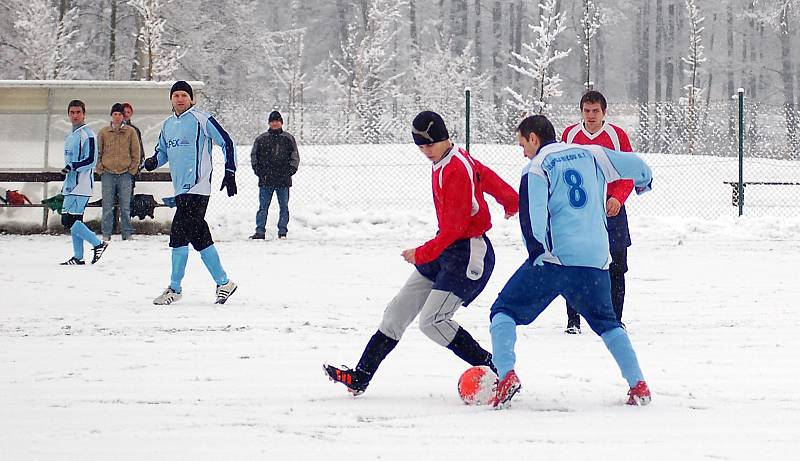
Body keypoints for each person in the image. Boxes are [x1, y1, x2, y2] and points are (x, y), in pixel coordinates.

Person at [324, 111, 519, 396]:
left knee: (432, 322)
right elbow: (486, 177)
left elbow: (455, 227)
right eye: (421, 146)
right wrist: (509, 201)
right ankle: (361, 376)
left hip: (468, 253)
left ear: (445, 138)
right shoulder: (448, 158)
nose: (426, 151)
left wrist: (422, 253)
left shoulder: (455, 168)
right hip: (446, 250)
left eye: (431, 144)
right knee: (396, 313)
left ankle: (498, 371)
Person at [488, 115, 653, 408]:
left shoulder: (536, 168)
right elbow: (637, 166)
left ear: (534, 139)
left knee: (503, 311)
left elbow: (532, 219)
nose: (523, 151)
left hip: (556, 260)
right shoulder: (592, 153)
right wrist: (643, 183)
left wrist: (537, 252)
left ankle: (506, 376)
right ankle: (638, 384)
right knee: (608, 323)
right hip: (596, 260)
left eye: (522, 144)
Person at [142, 81, 238, 305]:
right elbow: (162, 152)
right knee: (196, 235)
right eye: (176, 95)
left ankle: (175, 288)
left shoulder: (201, 119)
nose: (180, 98)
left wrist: (230, 171)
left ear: (192, 99)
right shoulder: (167, 125)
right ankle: (223, 282)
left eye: (184, 94)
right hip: (180, 190)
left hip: (198, 187)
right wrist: (152, 162)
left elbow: (227, 142)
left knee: (179, 233)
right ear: (171, 99)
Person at [561, 90, 634, 334]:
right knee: (575, 265)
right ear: (581, 111)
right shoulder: (570, 135)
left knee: (616, 266)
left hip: (611, 211)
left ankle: (614, 319)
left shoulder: (617, 136)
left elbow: (630, 171)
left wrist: (618, 198)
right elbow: (560, 171)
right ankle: (573, 319)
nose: (591, 115)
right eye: (586, 110)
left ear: (604, 112)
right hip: (579, 214)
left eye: (596, 111)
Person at [59, 100, 109, 265]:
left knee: (68, 220)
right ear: (68, 114)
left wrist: (73, 166)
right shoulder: (70, 135)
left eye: (78, 112)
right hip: (70, 184)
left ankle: (98, 243)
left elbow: (91, 160)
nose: (75, 115)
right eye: (72, 112)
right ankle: (78, 256)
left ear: (84, 114)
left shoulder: (88, 134)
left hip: (81, 185)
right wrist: (67, 171)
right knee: (75, 220)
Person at [250, 110, 299, 240]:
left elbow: (295, 156)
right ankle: (260, 231)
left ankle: (282, 232)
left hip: (283, 180)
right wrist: (259, 172)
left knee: (284, 207)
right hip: (266, 180)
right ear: (269, 123)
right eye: (272, 121)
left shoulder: (288, 138)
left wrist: (290, 171)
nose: (275, 123)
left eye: (277, 121)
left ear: (281, 122)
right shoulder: (261, 139)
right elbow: (254, 156)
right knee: (263, 207)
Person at [96, 103, 140, 241]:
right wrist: (100, 167)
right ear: (111, 115)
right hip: (108, 173)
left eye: (120, 114)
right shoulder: (103, 132)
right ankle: (106, 233)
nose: (117, 117)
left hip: (125, 174)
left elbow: (136, 152)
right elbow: (98, 151)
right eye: (115, 114)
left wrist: (132, 169)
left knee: (125, 206)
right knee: (107, 205)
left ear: (123, 116)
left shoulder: (130, 132)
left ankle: (127, 232)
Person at [121, 102, 145, 170]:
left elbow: (140, 150)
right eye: (124, 112)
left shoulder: (135, 130)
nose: (126, 114)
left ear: (131, 114)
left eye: (128, 112)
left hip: (130, 169)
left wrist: (138, 166)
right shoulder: (111, 130)